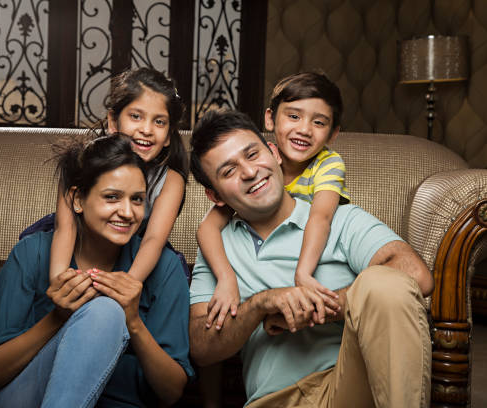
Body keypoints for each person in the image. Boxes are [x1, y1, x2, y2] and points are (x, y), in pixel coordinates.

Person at [188, 109, 434, 407]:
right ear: (215, 197)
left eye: (253, 155)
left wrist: (319, 308)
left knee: (382, 283)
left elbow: (415, 274)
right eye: (229, 171)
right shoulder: (218, 250)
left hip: (352, 386)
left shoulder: (338, 219)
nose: (250, 172)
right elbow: (201, 347)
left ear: (274, 153)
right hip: (275, 400)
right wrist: (260, 305)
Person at [0, 134, 194, 407]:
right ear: (77, 199)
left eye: (137, 200)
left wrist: (132, 321)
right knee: (103, 312)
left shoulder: (164, 268)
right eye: (112, 197)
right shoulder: (33, 253)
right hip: (27, 399)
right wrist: (58, 317)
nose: (127, 212)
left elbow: (172, 392)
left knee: (108, 313)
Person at [197, 72, 346, 331]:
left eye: (319, 123)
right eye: (294, 116)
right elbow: (207, 228)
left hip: (317, 255)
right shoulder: (257, 168)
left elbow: (320, 217)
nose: (304, 129)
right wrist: (226, 278)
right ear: (270, 118)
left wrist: (303, 273)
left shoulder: (328, 164)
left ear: (333, 135)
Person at [22, 67, 189, 284]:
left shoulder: (170, 181)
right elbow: (66, 227)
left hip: (134, 259)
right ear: (113, 121)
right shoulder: (80, 163)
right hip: (78, 248)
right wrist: (59, 281)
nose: (147, 129)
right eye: (136, 116)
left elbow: (153, 240)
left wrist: (125, 287)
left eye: (159, 122)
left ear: (168, 135)